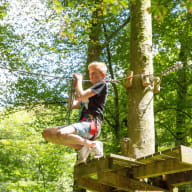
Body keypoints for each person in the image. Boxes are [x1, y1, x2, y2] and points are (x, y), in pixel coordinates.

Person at [42, 61, 108, 163]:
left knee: (61, 133)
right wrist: (72, 89)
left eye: (94, 73)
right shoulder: (89, 92)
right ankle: (82, 147)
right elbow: (71, 106)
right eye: (90, 73)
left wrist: (79, 81)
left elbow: (82, 95)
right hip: (82, 124)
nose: (91, 76)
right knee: (48, 133)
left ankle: (93, 144)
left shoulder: (101, 85)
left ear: (102, 75)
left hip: (91, 125)